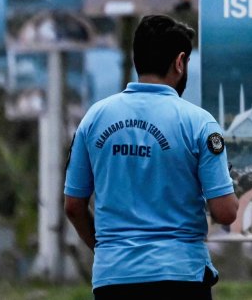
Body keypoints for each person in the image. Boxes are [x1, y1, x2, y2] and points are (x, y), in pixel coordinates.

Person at [64, 15, 237, 299]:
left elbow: (73, 206)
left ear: (136, 59)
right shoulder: (199, 123)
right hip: (181, 276)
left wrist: (108, 249)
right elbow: (225, 212)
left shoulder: (94, 118)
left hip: (113, 277)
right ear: (179, 62)